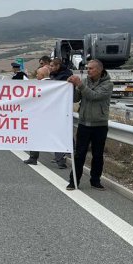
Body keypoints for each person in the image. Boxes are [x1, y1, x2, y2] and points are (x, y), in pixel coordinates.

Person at [67, 59, 113, 191]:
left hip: (100, 125)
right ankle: (73, 181)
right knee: (79, 154)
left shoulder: (108, 84)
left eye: (91, 68)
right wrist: (71, 86)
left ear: (99, 70)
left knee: (97, 155)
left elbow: (94, 96)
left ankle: (95, 181)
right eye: (87, 68)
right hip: (84, 124)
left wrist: (80, 85)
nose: (88, 71)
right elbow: (76, 98)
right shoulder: (85, 81)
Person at [24, 58, 68, 168]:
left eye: (38, 74)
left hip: (40, 116)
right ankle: (60, 162)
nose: (36, 76)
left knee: (35, 136)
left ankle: (33, 158)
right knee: (56, 137)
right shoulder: (56, 84)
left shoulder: (38, 86)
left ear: (42, 75)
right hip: (54, 115)